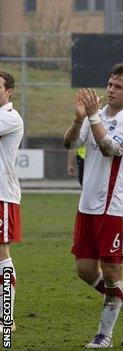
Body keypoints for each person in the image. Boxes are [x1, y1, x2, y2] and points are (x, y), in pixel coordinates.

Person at [62, 64, 123, 348]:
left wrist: (91, 118)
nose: (110, 90)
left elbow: (112, 148)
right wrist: (78, 120)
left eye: (118, 86)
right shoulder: (94, 116)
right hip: (88, 205)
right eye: (109, 84)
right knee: (85, 270)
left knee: (113, 276)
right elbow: (70, 143)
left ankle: (104, 336)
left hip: (115, 208)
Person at [0, 71, 22, 333]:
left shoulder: (10, 117)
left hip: (2, 195)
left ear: (9, 91)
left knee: (2, 253)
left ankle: (7, 317)